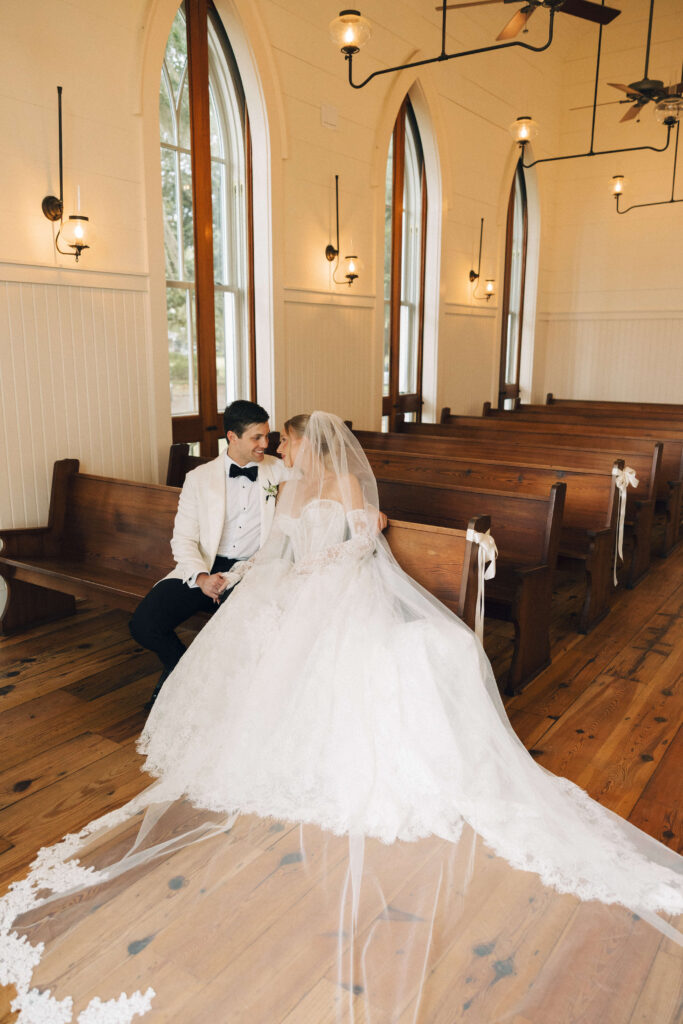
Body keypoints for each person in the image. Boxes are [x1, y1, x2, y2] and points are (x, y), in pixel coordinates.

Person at [1, 412, 681, 1024]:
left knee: (363, 651)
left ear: (308, 445)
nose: (281, 451)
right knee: (254, 639)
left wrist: (333, 557)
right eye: (275, 442)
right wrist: (252, 579)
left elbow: (361, 548)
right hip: (291, 584)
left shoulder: (346, 488)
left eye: (287, 442)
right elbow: (276, 551)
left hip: (344, 588)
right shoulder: (284, 487)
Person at [129, 399, 287, 708]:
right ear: (232, 436)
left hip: (251, 571)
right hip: (202, 567)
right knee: (144, 624)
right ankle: (182, 670)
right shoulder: (199, 478)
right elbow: (183, 539)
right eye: (257, 437)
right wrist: (201, 577)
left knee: (236, 631)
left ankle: (218, 702)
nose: (265, 444)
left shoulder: (281, 472)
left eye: (267, 436)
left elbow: (328, 487)